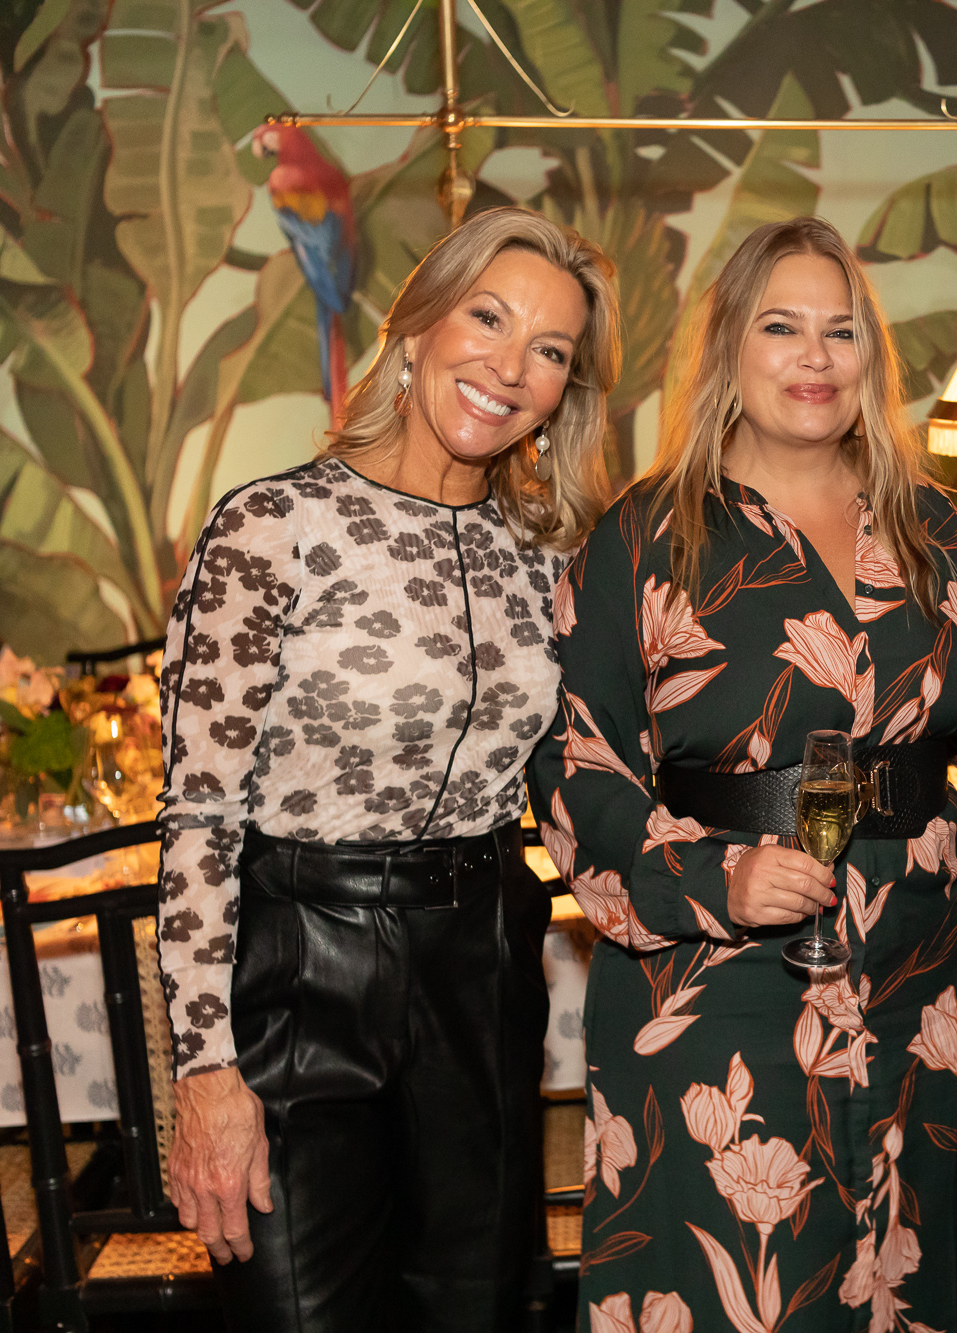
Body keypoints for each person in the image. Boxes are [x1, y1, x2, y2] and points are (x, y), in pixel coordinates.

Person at [528, 217, 957, 1330]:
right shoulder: (645, 537)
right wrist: (714, 880)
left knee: (917, 1285)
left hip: (929, 976)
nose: (815, 357)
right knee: (738, 1286)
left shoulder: (931, 525)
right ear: (729, 345)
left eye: (841, 331)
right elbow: (575, 764)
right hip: (719, 983)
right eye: (782, 327)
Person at [157, 206, 618, 1331]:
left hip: (483, 970)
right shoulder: (272, 526)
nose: (509, 368)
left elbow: (584, 771)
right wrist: (204, 1071)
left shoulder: (550, 555)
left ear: (564, 392)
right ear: (416, 328)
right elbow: (200, 816)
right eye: (487, 319)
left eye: (550, 350)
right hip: (298, 972)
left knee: (474, 1312)